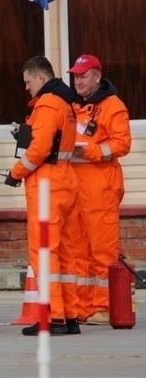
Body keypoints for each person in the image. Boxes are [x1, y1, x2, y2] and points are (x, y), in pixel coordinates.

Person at [4, 55, 80, 336]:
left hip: (47, 185)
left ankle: (53, 316)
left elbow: (38, 150)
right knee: (65, 253)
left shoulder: (47, 105)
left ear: (40, 77)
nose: (27, 88)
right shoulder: (67, 104)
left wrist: (15, 172)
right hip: (65, 181)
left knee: (44, 251)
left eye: (27, 82)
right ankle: (69, 315)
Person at [68, 54, 132, 325]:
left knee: (103, 251)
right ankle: (83, 307)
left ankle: (104, 306)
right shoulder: (74, 105)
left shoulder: (113, 106)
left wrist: (91, 151)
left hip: (101, 190)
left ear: (97, 75)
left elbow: (122, 144)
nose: (78, 81)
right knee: (79, 251)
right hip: (76, 190)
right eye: (75, 76)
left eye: (83, 76)